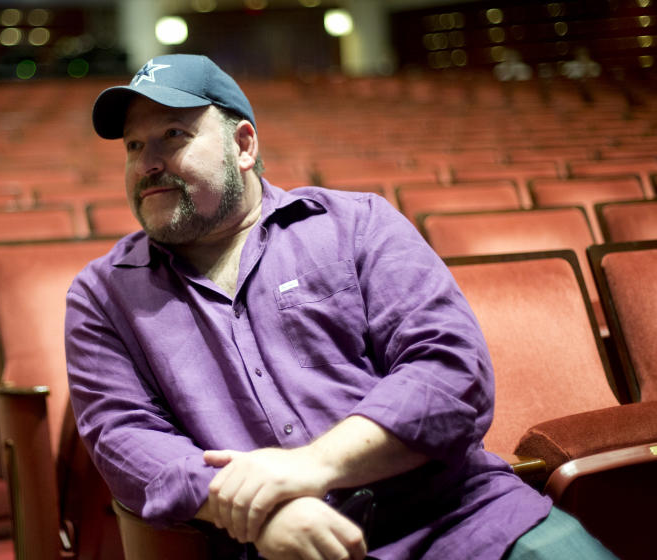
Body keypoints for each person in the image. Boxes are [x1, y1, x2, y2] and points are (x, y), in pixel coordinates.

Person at [65, 54, 616, 559]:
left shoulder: (358, 225)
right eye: (134, 147)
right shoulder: (102, 296)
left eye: (172, 136)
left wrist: (310, 468)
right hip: (286, 545)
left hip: (466, 522)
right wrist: (264, 512)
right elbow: (124, 439)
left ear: (244, 145)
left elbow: (450, 372)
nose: (148, 164)